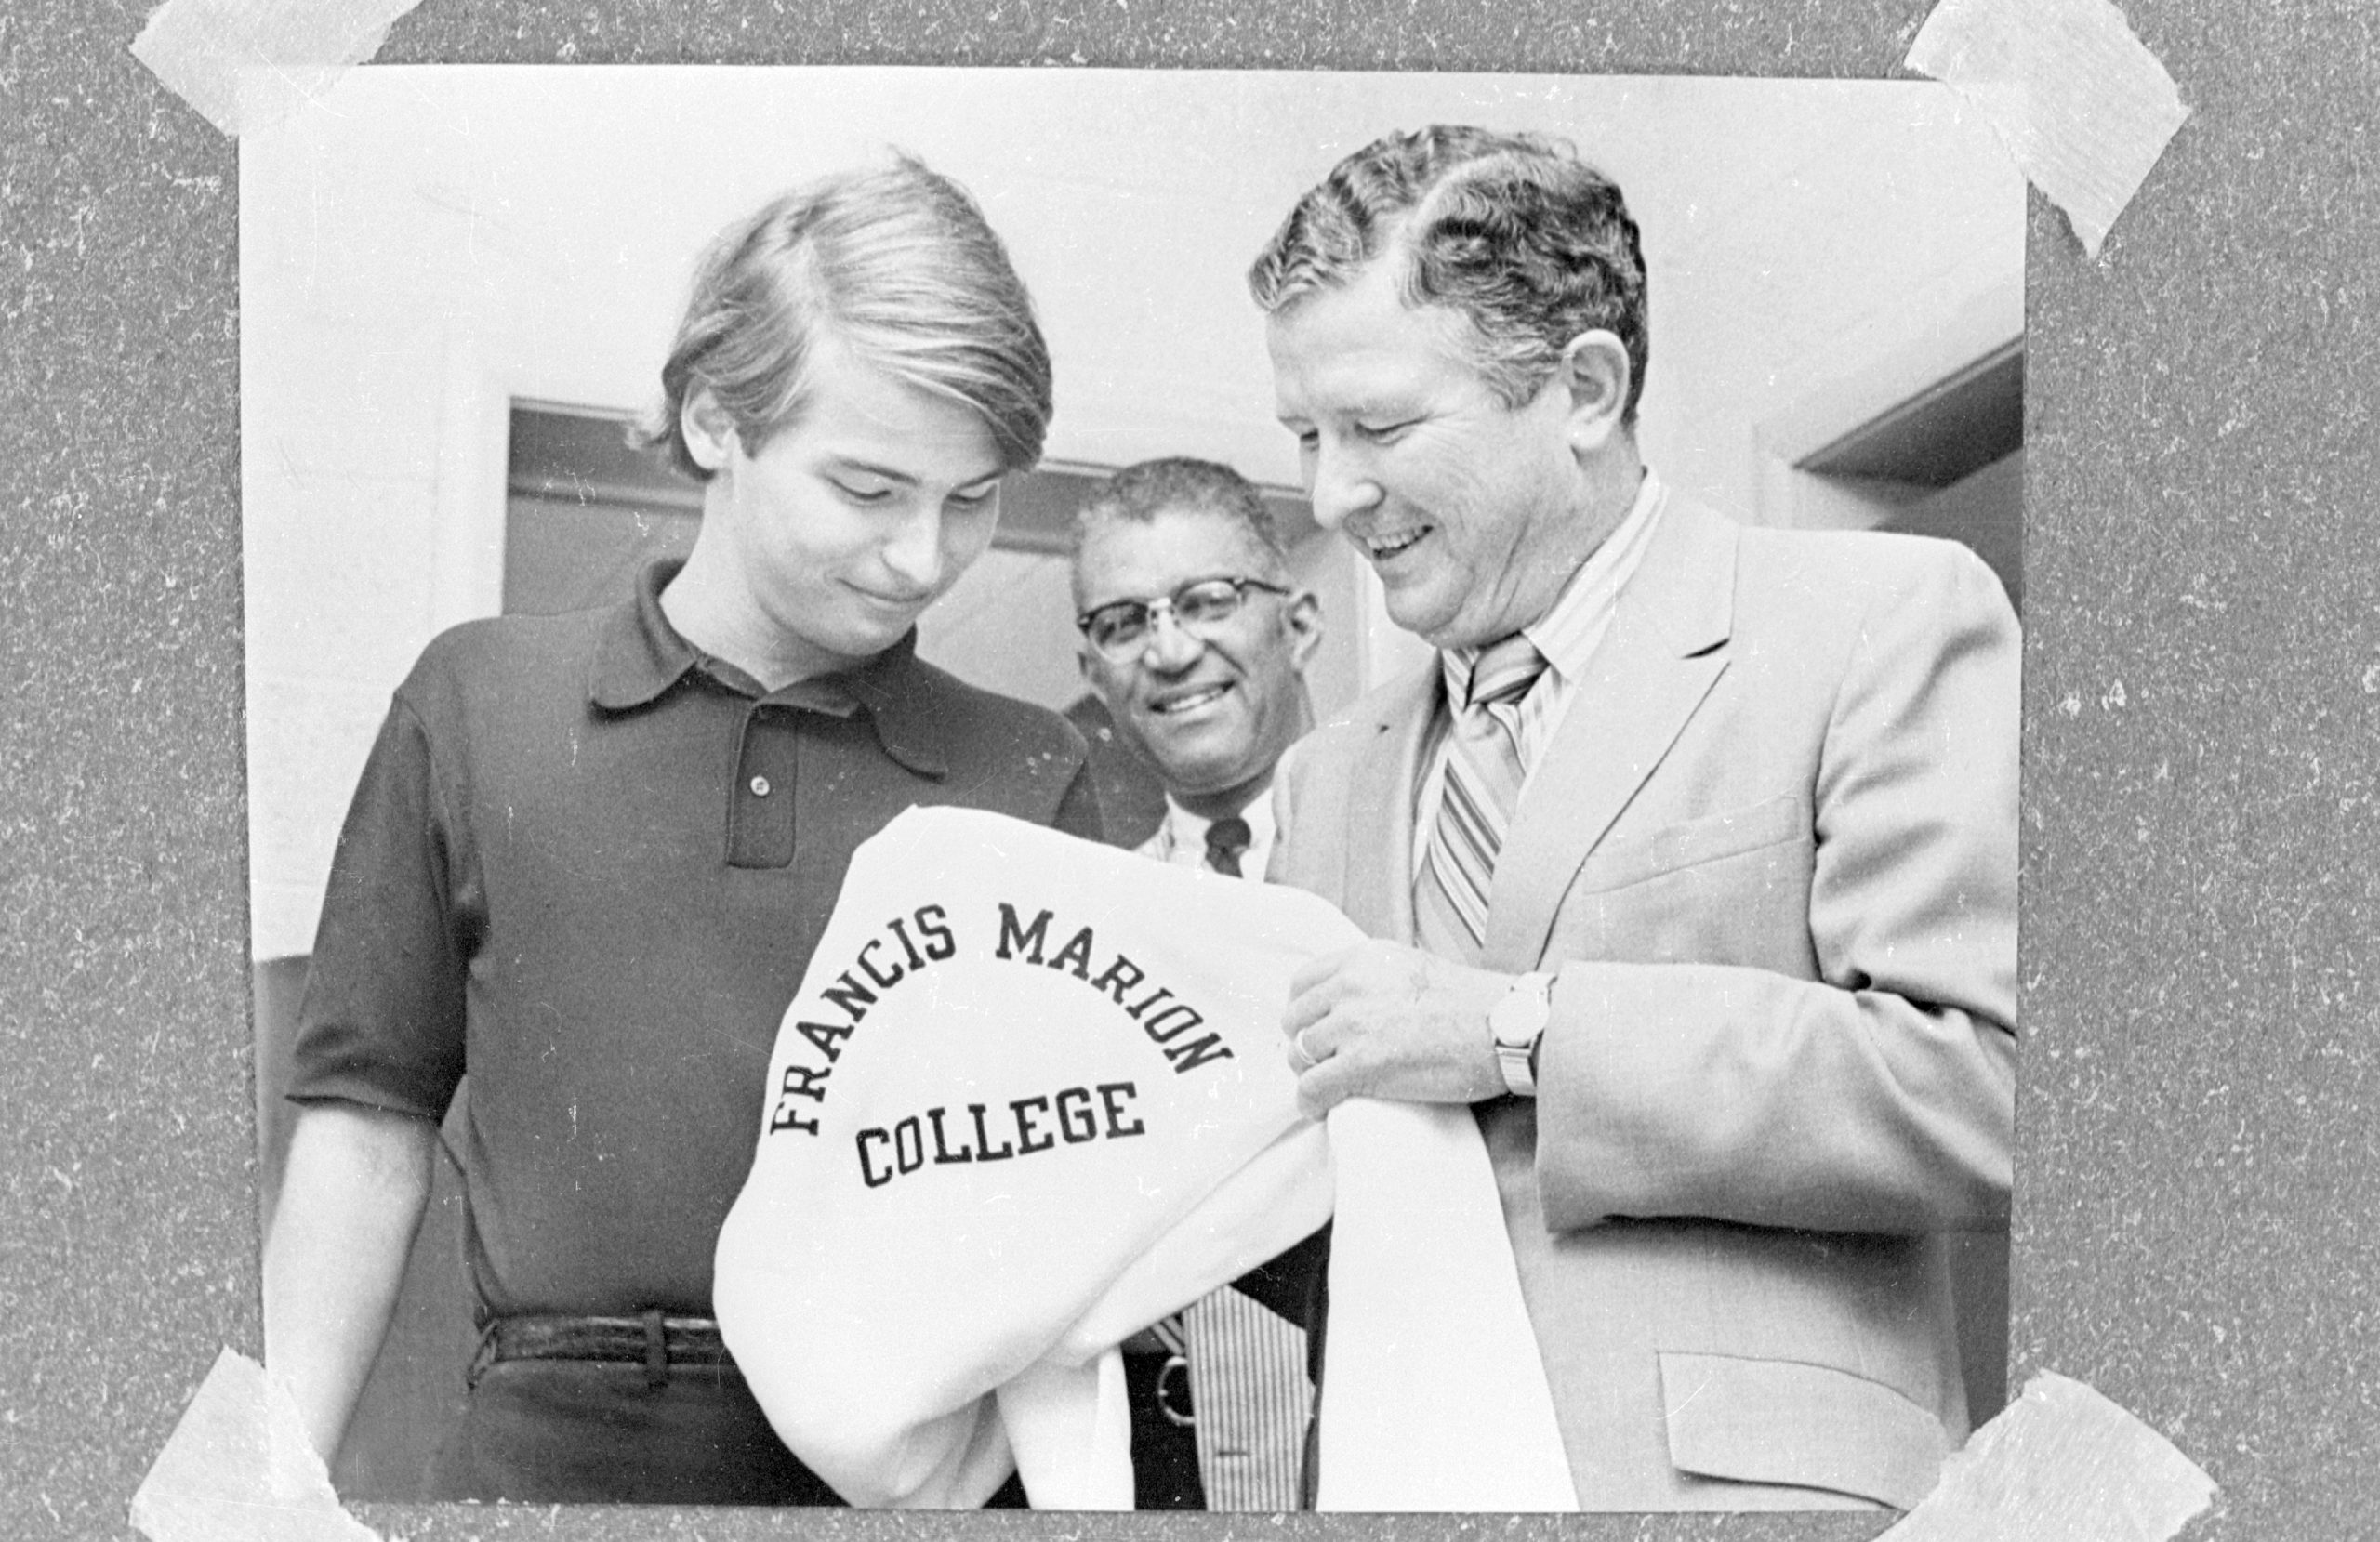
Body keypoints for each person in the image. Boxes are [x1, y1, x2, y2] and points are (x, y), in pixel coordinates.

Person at [262, 155, 1099, 1506]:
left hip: (911, 1462)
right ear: (717, 419)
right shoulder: (477, 700)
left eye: (974, 498)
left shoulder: (1034, 769)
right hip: (550, 1453)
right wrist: (270, 1487)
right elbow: (364, 1133)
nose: (923, 559)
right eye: (870, 489)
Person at [1250, 125, 2017, 1510]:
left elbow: (1994, 1084)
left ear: (1585, 391)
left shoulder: (1880, 623)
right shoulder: (1327, 774)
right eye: (1305, 436)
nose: (1328, 493)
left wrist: (1517, 1027)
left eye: (1377, 426)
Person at [1068, 457, 1327, 1510]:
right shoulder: (1078, 924)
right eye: (1125, 622)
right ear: (1092, 669)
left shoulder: (1424, 850)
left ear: (1299, 623)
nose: (1171, 651)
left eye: (1208, 602)